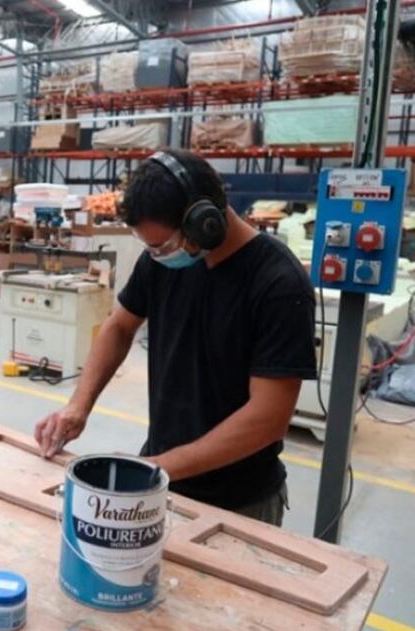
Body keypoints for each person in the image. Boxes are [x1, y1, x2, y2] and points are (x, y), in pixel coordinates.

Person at [34, 149, 316, 526]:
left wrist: (153, 468)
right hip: (163, 479)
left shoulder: (278, 283)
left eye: (163, 246)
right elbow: (119, 327)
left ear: (205, 223)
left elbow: (268, 418)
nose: (157, 256)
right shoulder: (162, 260)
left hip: (238, 502)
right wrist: (78, 406)